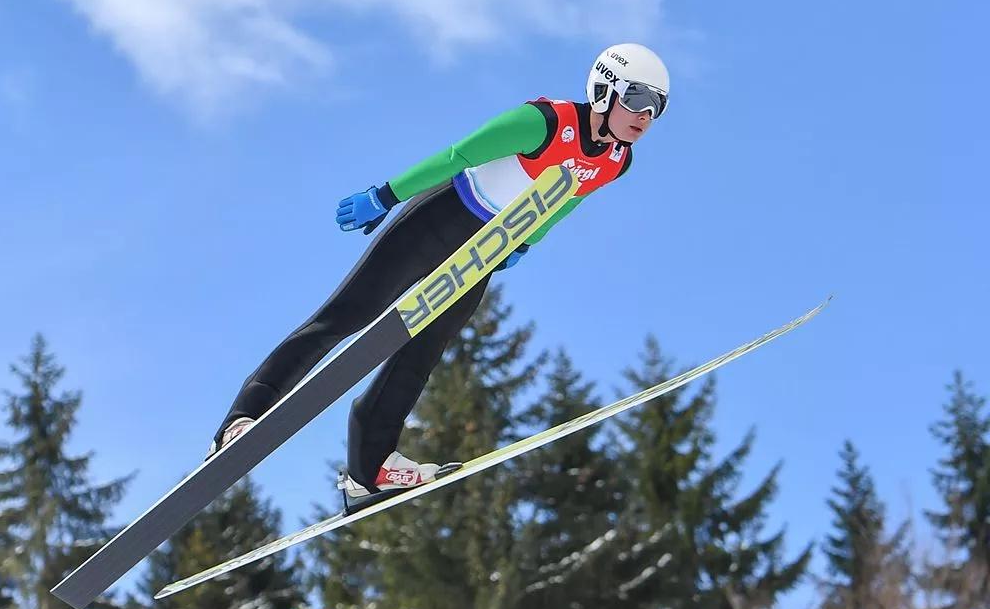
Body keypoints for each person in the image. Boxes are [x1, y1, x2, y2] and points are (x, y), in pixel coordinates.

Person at [207, 43, 670, 502]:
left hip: (486, 248)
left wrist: (527, 240)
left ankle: (368, 470)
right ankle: (243, 419)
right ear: (605, 89)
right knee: (347, 317)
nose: (644, 116)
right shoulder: (545, 122)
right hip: (439, 219)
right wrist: (387, 194)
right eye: (637, 99)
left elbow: (569, 199)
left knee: (423, 351)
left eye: (656, 108)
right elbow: (458, 155)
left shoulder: (616, 161)